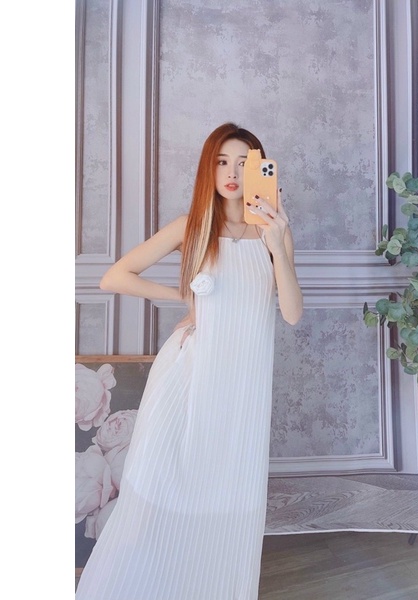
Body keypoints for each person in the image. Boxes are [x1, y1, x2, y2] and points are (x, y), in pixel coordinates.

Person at [75, 122, 303, 599]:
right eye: (222, 161)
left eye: (243, 162)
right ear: (208, 169)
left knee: (229, 491)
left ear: (260, 169)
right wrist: (183, 297)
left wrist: (279, 244)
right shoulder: (192, 226)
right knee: (160, 486)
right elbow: (115, 277)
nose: (232, 173)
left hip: (243, 385)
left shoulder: (274, 231)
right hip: (187, 376)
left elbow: (291, 313)